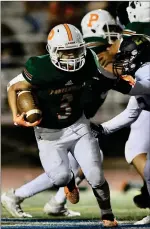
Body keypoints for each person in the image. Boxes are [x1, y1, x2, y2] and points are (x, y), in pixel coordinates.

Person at [2, 23, 119, 227]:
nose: (73, 57)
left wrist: (122, 81)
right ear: (53, 51)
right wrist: (16, 115)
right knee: (60, 177)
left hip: (77, 124)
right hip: (49, 132)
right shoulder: (39, 67)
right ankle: (67, 184)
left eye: (76, 50)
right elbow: (14, 87)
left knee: (95, 173)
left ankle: (107, 215)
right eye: (66, 52)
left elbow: (103, 79)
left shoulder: (90, 60)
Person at [43, 9, 123, 217]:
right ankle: (32, 197)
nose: (71, 57)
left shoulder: (87, 57)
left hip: (79, 121)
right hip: (59, 122)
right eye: (110, 30)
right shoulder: (92, 59)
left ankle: (59, 202)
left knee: (89, 168)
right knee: (62, 172)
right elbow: (18, 86)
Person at [91, 34, 150, 225]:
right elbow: (131, 113)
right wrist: (102, 129)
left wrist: (111, 81)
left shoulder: (147, 70)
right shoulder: (141, 71)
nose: (121, 61)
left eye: (124, 56)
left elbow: (142, 86)